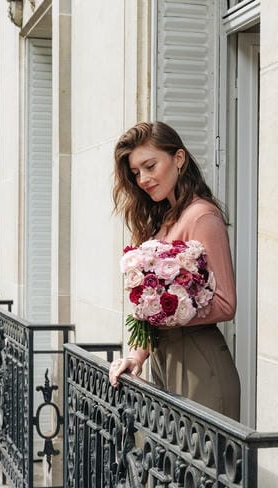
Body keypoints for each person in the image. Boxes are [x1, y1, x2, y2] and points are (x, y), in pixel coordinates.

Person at [108, 121, 241, 420]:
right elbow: (152, 311)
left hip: (200, 361)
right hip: (164, 357)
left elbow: (226, 303)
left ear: (178, 159)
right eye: (136, 173)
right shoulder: (163, 220)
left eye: (150, 166)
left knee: (201, 465)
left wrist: (165, 312)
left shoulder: (202, 215)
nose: (142, 178)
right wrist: (135, 356)